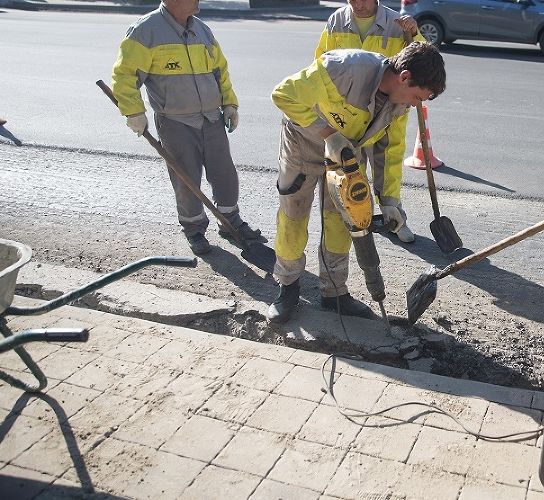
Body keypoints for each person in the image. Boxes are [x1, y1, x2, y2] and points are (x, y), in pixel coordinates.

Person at [267, 42, 446, 323]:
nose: (415, 104)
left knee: (344, 220)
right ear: (405, 77)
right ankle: (287, 286)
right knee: (294, 216)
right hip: (304, 144)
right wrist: (329, 135)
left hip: (347, 154)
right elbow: (284, 95)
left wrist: (389, 202)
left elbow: (389, 150)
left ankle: (334, 292)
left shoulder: (399, 104)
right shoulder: (344, 69)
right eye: (415, 97)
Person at [110, 0, 262, 256]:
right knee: (186, 179)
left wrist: (229, 103)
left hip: (212, 119)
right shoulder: (145, 31)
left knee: (224, 173)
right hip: (175, 122)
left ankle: (229, 221)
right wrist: (134, 112)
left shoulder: (202, 30)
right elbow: (125, 76)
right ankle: (193, 229)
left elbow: (220, 71)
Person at [313, 0, 426, 244]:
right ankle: (361, 217)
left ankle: (394, 216)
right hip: (351, 109)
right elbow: (320, 63)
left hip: (390, 107)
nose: (358, 4)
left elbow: (425, 63)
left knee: (389, 162)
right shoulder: (336, 21)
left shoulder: (397, 24)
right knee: (352, 164)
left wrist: (414, 34)